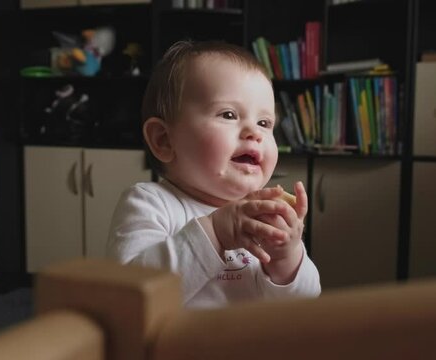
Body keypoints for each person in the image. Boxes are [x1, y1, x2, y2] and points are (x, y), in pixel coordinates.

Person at [107, 40, 321, 308]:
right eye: (229, 114)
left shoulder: (263, 217)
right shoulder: (150, 203)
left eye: (265, 123)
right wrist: (215, 234)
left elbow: (303, 304)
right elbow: (130, 299)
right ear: (164, 140)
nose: (255, 133)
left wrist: (287, 257)